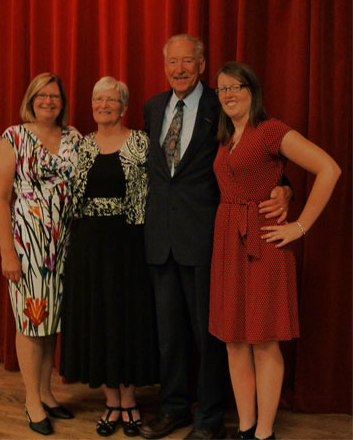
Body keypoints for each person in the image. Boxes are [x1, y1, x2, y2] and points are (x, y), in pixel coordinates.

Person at [140, 34, 292, 440]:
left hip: (212, 239)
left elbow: (262, 154)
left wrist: (285, 189)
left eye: (187, 61)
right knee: (169, 334)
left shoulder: (222, 103)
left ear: (202, 64)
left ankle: (209, 419)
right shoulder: (153, 108)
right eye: (172, 62)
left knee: (212, 336)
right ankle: (173, 408)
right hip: (161, 239)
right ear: (165, 65)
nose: (179, 69)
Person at [209, 61, 341, 440]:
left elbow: (328, 169)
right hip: (228, 243)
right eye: (222, 89)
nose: (229, 94)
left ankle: (264, 433)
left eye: (237, 87)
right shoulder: (225, 139)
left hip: (264, 245)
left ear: (253, 91)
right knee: (234, 341)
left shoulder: (271, 131)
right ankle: (246, 428)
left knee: (264, 341)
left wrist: (300, 226)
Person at [60, 76, 158, 438]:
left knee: (127, 317)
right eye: (97, 99)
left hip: (130, 243)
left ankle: (130, 401)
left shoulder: (142, 143)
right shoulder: (80, 145)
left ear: (123, 106)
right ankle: (111, 401)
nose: (103, 105)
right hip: (88, 245)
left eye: (110, 100)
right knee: (97, 317)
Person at [0, 72, 81, 436]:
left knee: (51, 322)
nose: (49, 101)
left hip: (67, 245)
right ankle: (31, 399)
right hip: (28, 245)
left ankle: (47, 392)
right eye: (42, 95)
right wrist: (6, 253)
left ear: (62, 101)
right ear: (31, 98)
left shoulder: (74, 136)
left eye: (55, 96)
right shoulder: (14, 137)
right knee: (31, 320)